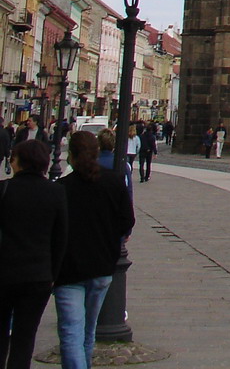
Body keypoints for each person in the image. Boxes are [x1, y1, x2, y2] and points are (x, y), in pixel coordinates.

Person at [54, 131, 134, 369]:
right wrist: (111, 239)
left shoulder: (62, 188)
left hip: (69, 271)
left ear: (71, 156)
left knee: (71, 332)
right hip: (102, 267)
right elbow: (127, 221)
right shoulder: (114, 181)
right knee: (89, 331)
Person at [0, 139, 69, 369]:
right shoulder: (56, 192)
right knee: (25, 335)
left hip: (4, 273)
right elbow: (60, 238)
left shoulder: (4, 189)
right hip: (38, 276)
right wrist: (53, 275)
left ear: (19, 162)